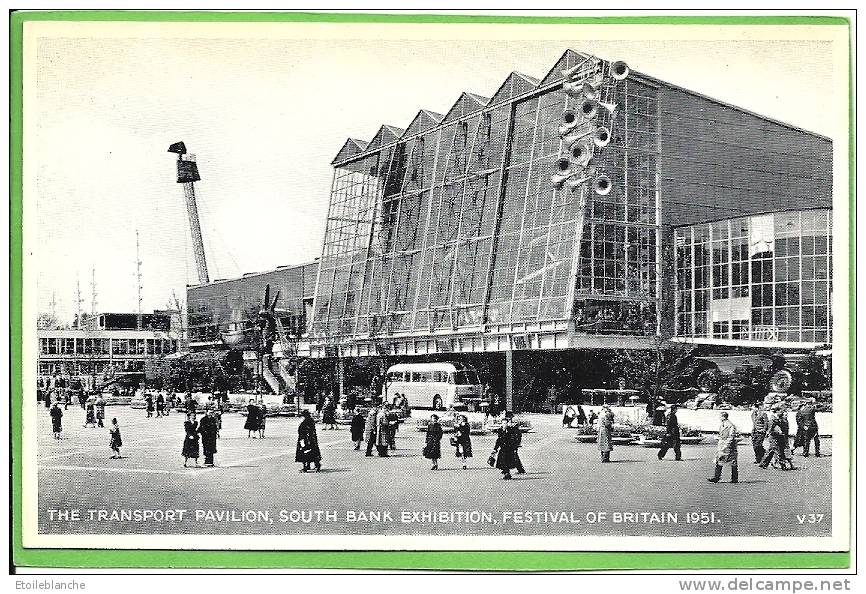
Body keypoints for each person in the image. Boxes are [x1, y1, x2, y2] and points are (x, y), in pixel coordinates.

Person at [708, 412, 738, 483]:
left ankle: (734, 478)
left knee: (733, 462)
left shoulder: (730, 426)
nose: (719, 418)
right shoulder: (722, 425)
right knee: (719, 460)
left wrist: (726, 445)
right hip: (722, 445)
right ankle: (717, 477)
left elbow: (731, 437)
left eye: (720, 417)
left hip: (729, 447)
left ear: (723, 417)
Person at [492, 412, 520, 479]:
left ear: (508, 423)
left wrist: (515, 448)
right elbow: (498, 440)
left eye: (505, 423)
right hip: (502, 449)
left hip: (509, 449)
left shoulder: (511, 431)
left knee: (507, 461)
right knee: (502, 461)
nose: (504, 424)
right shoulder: (500, 430)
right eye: (503, 423)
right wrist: (495, 449)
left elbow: (514, 440)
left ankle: (507, 473)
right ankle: (506, 473)